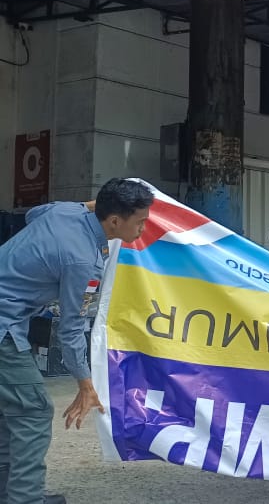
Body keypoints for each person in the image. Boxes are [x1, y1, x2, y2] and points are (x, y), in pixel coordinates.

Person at [0, 178, 153, 504]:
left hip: (8, 320)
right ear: (115, 221)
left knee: (11, 410)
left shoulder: (65, 212)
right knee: (33, 411)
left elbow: (33, 215)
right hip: (3, 328)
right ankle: (24, 499)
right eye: (140, 221)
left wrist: (99, 202)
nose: (143, 228)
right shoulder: (83, 261)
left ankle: (10, 493)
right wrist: (85, 385)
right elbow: (70, 331)